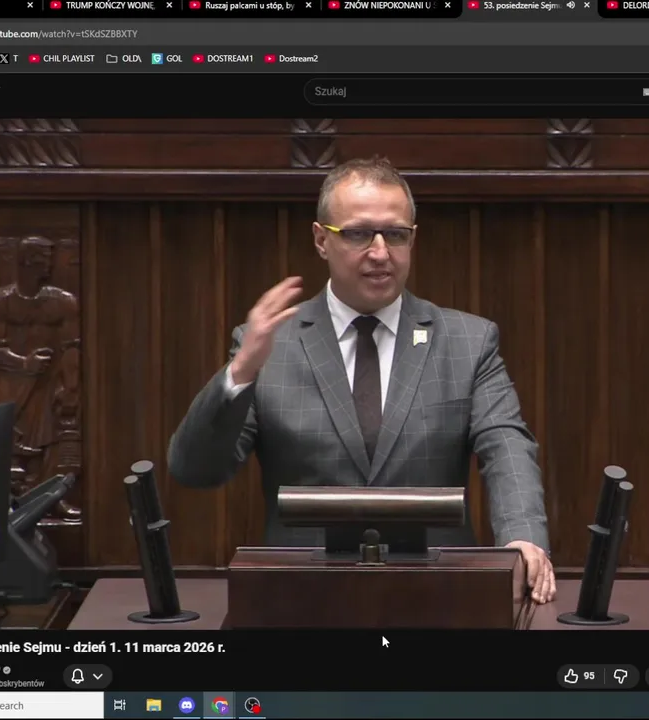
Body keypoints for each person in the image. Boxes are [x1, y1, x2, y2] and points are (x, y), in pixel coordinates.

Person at [168, 157, 556, 603]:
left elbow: (506, 445)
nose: (380, 252)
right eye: (357, 234)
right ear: (321, 240)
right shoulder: (272, 344)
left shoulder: (467, 341)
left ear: (413, 238)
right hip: (301, 599)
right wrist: (240, 373)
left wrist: (523, 537)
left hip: (439, 594)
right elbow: (194, 470)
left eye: (396, 234)